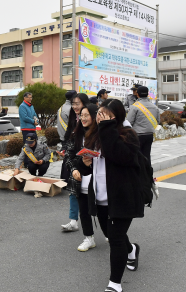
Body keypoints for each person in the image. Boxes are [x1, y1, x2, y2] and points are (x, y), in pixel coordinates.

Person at [77, 99, 145, 292]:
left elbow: (120, 156)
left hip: (123, 197)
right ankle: (131, 250)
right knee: (111, 234)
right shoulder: (95, 135)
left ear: (117, 116)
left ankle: (114, 283)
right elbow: (88, 167)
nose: (100, 118)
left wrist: (107, 127)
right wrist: (84, 163)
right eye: (99, 114)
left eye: (106, 115)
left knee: (115, 238)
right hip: (100, 196)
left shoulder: (128, 135)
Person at [62, 105, 102, 250]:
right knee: (84, 210)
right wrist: (73, 170)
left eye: (87, 115)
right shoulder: (76, 134)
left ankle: (109, 233)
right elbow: (69, 156)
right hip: (80, 180)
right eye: (82, 115)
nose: (83, 118)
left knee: (104, 210)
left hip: (100, 180)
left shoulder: (101, 134)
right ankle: (89, 238)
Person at [61, 93, 90, 232]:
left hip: (90, 161)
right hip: (76, 159)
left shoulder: (92, 118)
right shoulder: (74, 117)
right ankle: (73, 221)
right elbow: (68, 133)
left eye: (77, 103)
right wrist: (64, 148)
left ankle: (105, 226)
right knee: (73, 189)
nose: (75, 106)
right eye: (73, 104)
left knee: (92, 193)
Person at [127, 86, 160, 164]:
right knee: (147, 156)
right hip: (149, 135)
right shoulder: (155, 107)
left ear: (137, 94)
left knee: (137, 157)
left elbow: (129, 122)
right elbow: (157, 121)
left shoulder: (135, 107)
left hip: (137, 135)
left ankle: (139, 175)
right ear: (148, 94)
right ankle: (148, 174)